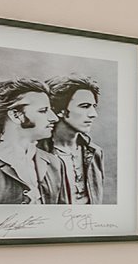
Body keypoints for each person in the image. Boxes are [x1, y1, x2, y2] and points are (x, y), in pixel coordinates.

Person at [42, 75, 105, 204]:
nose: (94, 114)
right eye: (85, 106)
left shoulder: (95, 152)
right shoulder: (36, 154)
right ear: (59, 110)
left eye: (94, 106)